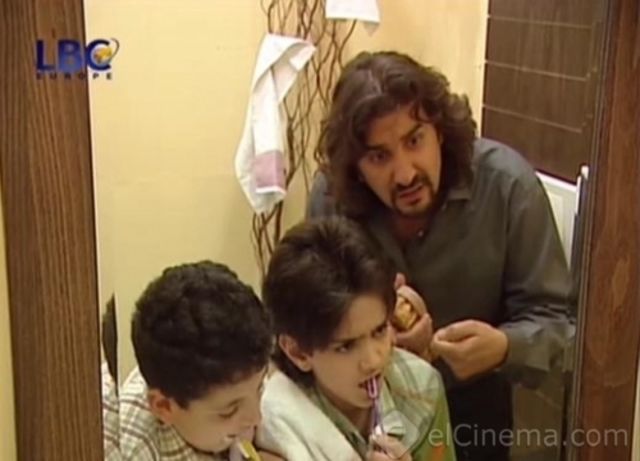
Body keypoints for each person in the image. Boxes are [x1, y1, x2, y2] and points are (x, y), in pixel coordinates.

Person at [307, 51, 572, 460]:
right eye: (379, 156)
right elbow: (311, 316)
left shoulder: (507, 186)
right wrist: (378, 330)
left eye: (414, 141)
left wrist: (504, 347)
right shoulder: (332, 198)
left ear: (441, 131)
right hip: (362, 412)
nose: (406, 173)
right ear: (356, 167)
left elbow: (559, 322)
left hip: (473, 410)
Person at [258, 217, 456, 461]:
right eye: (346, 346)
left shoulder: (422, 389)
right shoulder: (274, 419)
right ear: (298, 352)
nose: (373, 361)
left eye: (379, 330)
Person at [118, 261, 281, 461]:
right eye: (229, 411)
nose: (256, 417)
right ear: (164, 407)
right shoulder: (130, 451)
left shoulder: (233, 380)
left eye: (259, 389)